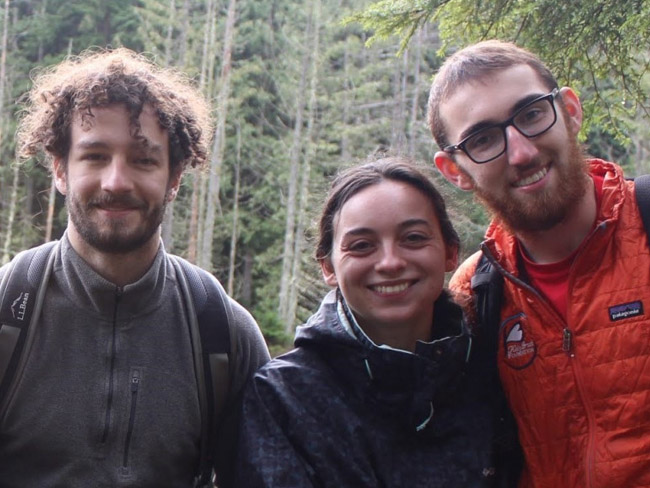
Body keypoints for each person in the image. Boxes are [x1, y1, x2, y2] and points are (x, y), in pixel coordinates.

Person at [0, 48, 270, 487]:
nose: (117, 181)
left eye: (143, 159)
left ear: (175, 177)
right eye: (95, 156)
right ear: (59, 169)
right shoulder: (8, 311)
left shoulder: (222, 333)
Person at [429, 39, 650, 487]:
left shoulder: (646, 225)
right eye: (483, 139)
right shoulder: (475, 294)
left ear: (569, 110)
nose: (522, 152)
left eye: (531, 114)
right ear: (456, 171)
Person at [234, 157, 519, 487]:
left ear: (450, 252)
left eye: (413, 238)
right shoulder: (284, 397)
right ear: (328, 267)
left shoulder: (492, 372)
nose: (390, 262)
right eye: (362, 246)